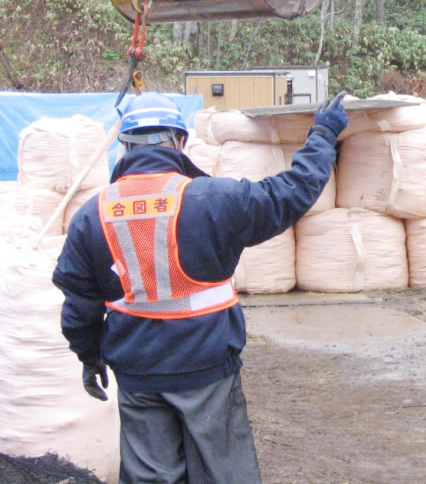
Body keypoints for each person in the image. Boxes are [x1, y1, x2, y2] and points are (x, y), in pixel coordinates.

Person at [52, 90, 348, 484]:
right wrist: (323, 135)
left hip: (138, 373)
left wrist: (89, 356)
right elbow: (291, 192)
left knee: (151, 477)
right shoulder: (216, 199)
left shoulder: (91, 215)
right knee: (221, 473)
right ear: (180, 142)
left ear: (123, 147)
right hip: (209, 369)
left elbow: (80, 306)